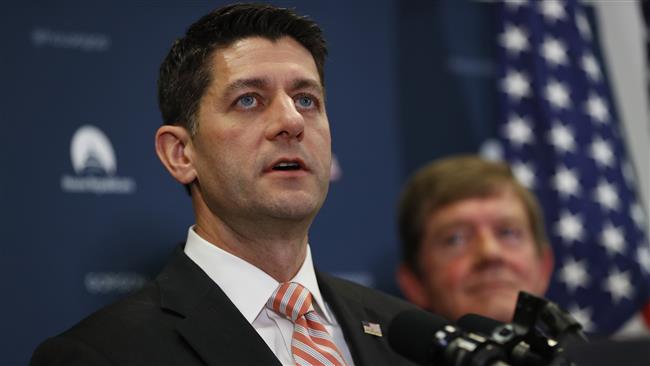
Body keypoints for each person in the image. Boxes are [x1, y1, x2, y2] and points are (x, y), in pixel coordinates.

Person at [31, 4, 418, 366]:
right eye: (249, 100)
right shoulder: (99, 354)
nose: (292, 121)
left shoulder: (405, 332)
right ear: (181, 154)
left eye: (305, 100)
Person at [396, 155, 554, 323]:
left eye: (508, 233)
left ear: (544, 268)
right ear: (415, 284)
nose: (490, 252)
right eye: (455, 239)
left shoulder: (582, 348)